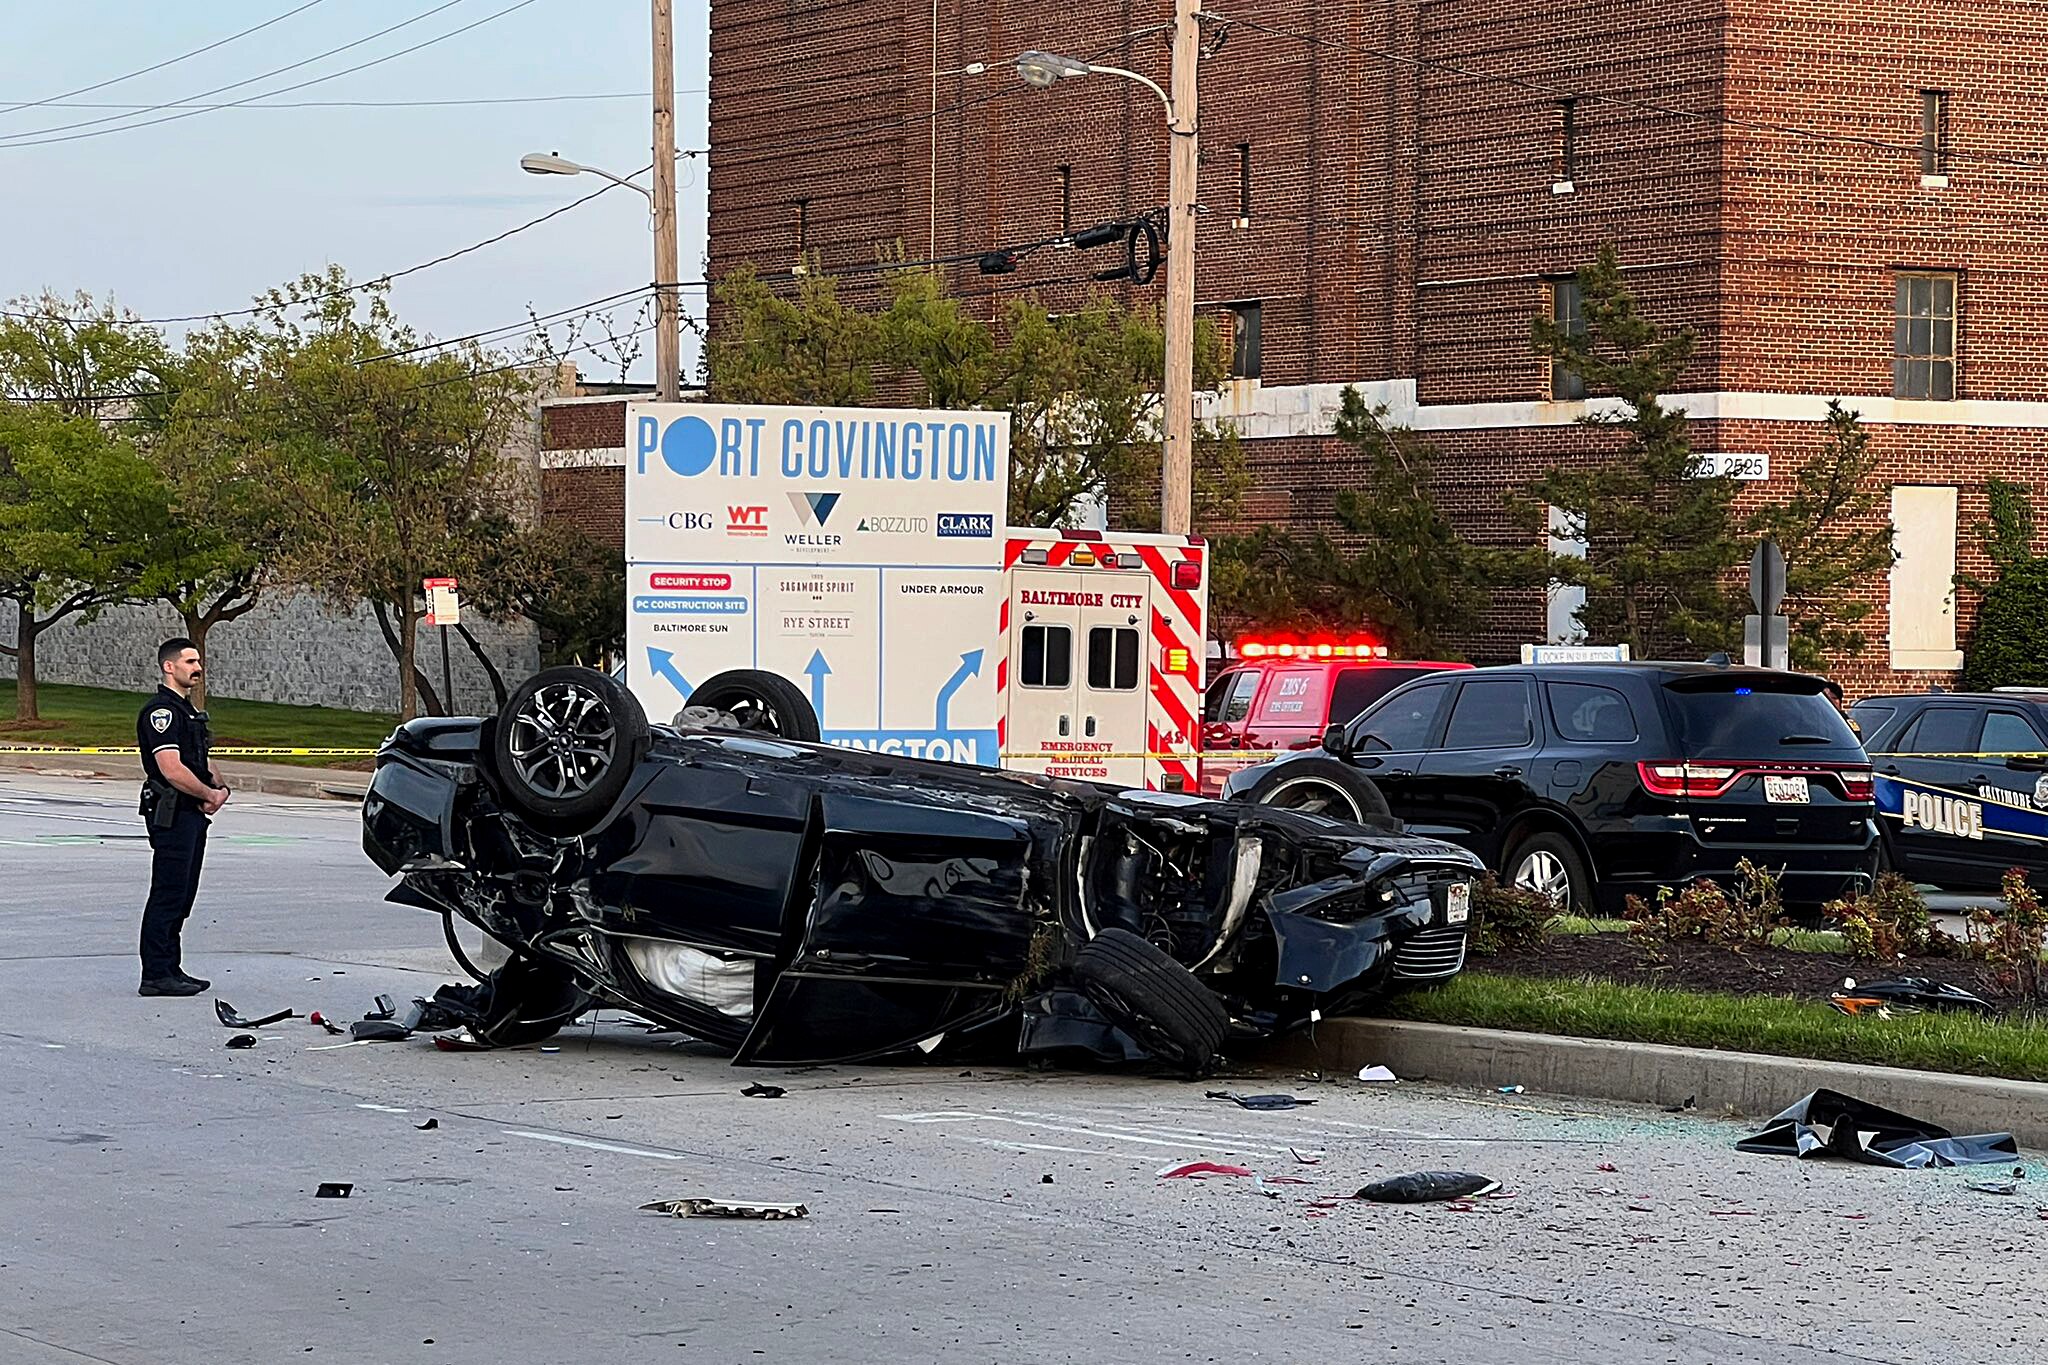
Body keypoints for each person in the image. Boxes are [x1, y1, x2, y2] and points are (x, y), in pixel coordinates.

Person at [136, 638, 230, 997]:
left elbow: (199, 758)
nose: (198, 667)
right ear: (169, 667)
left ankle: (171, 968)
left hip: (191, 812)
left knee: (183, 894)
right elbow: (172, 769)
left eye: (199, 661)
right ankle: (156, 975)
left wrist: (221, 789)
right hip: (172, 813)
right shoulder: (161, 712)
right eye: (190, 661)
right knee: (168, 892)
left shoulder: (187, 712)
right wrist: (208, 795)